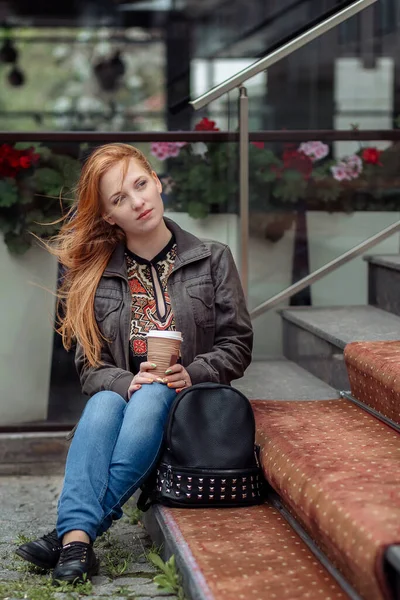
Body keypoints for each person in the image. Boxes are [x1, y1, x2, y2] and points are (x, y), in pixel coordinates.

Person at [15, 143, 253, 584]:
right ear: (108, 216)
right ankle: (78, 543)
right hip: (127, 408)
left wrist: (194, 371)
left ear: (157, 182)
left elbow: (237, 344)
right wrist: (127, 381)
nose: (138, 202)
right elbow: (90, 367)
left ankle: (72, 536)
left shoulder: (213, 258)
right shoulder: (96, 274)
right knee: (106, 402)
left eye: (140, 185)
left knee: (155, 393)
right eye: (119, 199)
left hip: (192, 411)